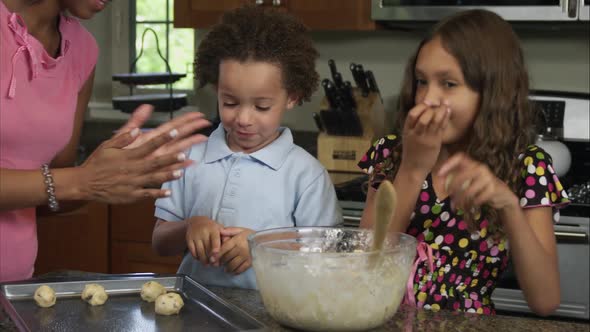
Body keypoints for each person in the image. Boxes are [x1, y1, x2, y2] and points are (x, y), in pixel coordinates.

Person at [357, 9, 569, 316]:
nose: (427, 98)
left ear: (492, 91)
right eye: (421, 81)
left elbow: (545, 301)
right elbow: (366, 267)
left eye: (449, 84)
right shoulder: (391, 154)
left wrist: (509, 206)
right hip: (387, 320)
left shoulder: (527, 167)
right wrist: (413, 170)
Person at [0, 0, 211, 282]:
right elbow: (70, 182)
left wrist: (112, 172)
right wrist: (82, 181)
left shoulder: (82, 49)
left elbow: (55, 193)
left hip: (14, 283)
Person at [151, 6, 342, 289]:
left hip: (274, 313)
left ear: (292, 97)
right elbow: (159, 243)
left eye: (261, 106)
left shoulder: (306, 175)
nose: (243, 118)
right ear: (216, 89)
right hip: (196, 307)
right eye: (230, 102)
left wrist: (263, 247)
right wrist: (189, 227)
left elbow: (328, 256)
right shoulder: (190, 157)